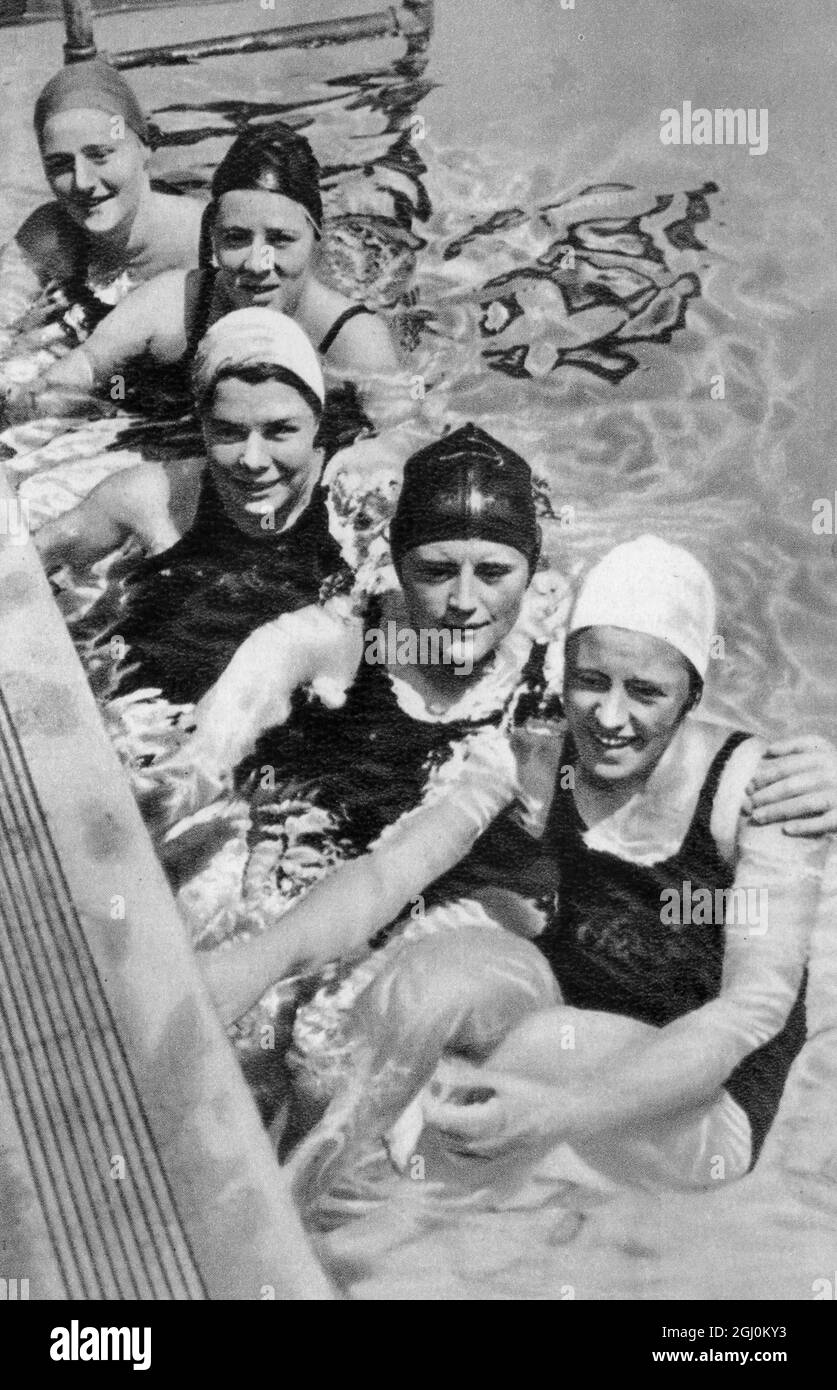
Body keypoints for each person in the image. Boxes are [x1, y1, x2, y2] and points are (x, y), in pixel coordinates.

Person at [4, 121, 399, 434]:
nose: (258, 263)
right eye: (236, 239)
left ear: (316, 239)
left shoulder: (351, 339)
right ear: (212, 239)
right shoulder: (175, 303)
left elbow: (399, 444)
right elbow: (73, 378)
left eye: (281, 240)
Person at [40, 307, 348, 704]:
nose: (253, 459)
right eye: (228, 431)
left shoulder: (354, 496)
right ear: (201, 422)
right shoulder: (150, 498)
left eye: (280, 431)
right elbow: (30, 559)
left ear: (317, 423)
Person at [0, 59, 203, 402]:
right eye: (61, 164)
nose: (83, 182)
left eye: (100, 155)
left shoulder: (212, 241)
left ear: (146, 145)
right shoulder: (51, 235)